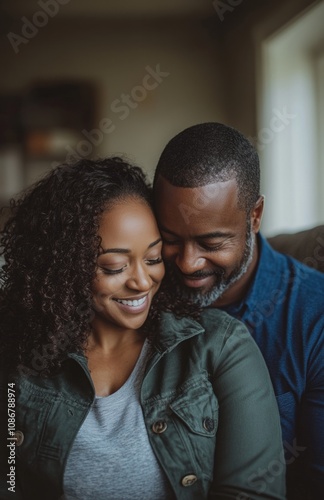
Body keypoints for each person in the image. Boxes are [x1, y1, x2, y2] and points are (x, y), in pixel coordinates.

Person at [0, 157, 285, 500]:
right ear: (64, 268)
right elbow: (10, 481)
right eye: (115, 266)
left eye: (153, 259)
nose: (142, 281)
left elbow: (252, 493)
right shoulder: (20, 351)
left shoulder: (219, 346)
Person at [153, 122, 324, 500]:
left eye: (211, 242)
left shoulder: (315, 320)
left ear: (255, 215)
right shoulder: (138, 296)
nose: (187, 262)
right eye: (170, 239)